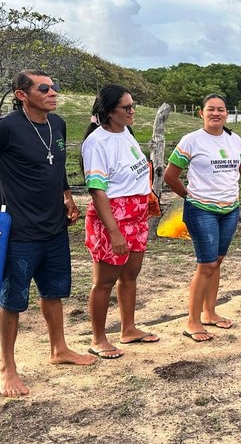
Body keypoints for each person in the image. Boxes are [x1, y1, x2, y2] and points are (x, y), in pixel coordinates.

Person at [0, 69, 95, 397]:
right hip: (18, 233)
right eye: (44, 88)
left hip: (55, 228)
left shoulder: (57, 124)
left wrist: (67, 196)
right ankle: (7, 368)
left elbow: (55, 166)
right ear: (21, 95)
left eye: (54, 87)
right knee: (13, 301)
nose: (53, 92)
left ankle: (59, 349)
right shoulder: (4, 128)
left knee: (53, 292)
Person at [81, 84, 159, 359]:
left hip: (136, 213)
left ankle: (128, 328)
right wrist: (113, 232)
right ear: (108, 111)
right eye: (126, 107)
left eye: (132, 105)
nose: (132, 111)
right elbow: (97, 190)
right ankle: (98, 338)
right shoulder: (96, 143)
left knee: (130, 274)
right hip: (113, 215)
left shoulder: (125, 132)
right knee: (104, 280)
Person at [164, 94, 241, 342]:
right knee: (206, 263)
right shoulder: (191, 141)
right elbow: (171, 175)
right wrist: (189, 195)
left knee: (217, 262)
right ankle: (192, 321)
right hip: (201, 209)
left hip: (230, 209)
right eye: (210, 109)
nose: (216, 113)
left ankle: (210, 312)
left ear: (227, 114)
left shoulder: (235, 139)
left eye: (220, 109)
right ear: (201, 113)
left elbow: (239, 168)